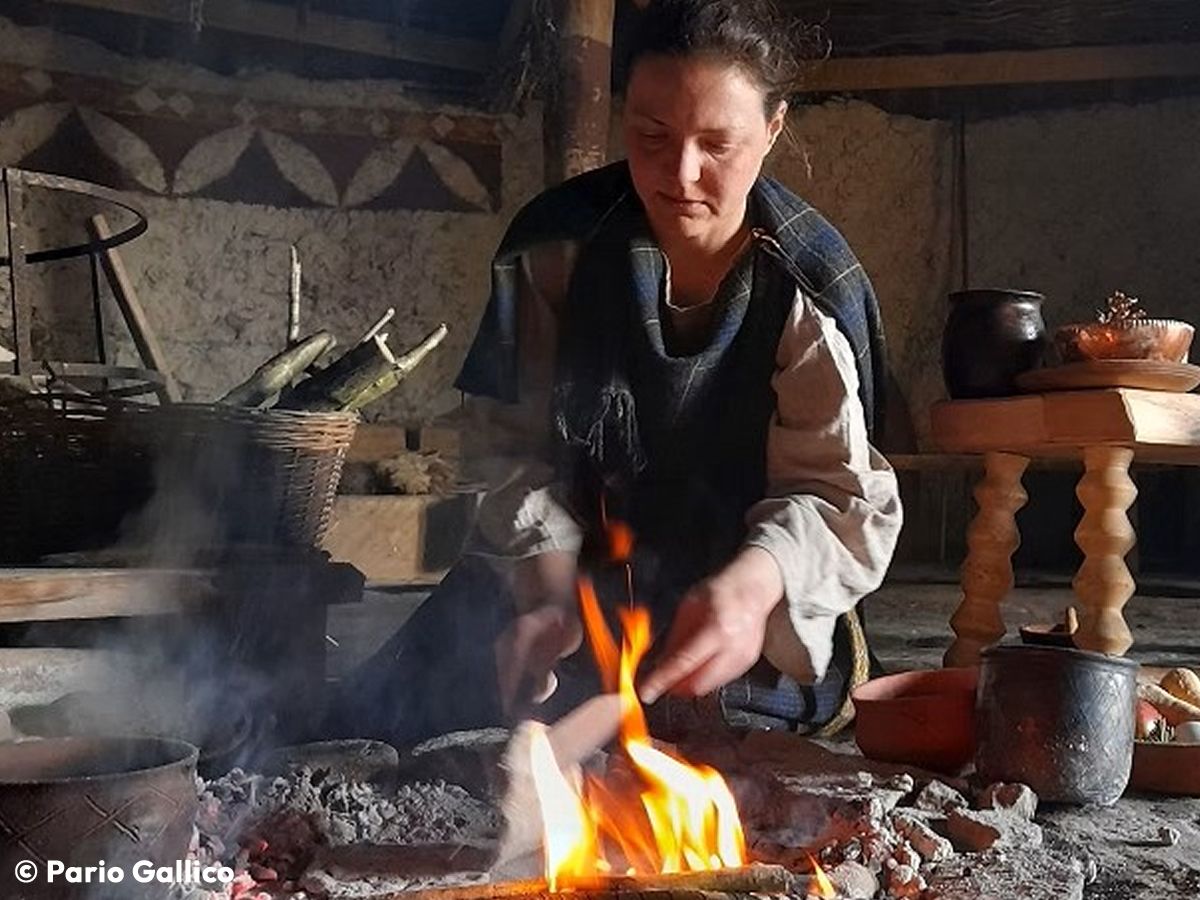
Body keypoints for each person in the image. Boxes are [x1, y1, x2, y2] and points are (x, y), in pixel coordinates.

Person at [330, 0, 902, 745]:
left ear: (773, 129)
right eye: (651, 136)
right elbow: (511, 452)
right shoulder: (554, 247)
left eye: (717, 143)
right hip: (570, 577)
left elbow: (834, 491)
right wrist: (546, 595)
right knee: (388, 717)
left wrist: (754, 586)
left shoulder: (809, 285)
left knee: (716, 738)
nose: (681, 174)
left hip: (741, 596)